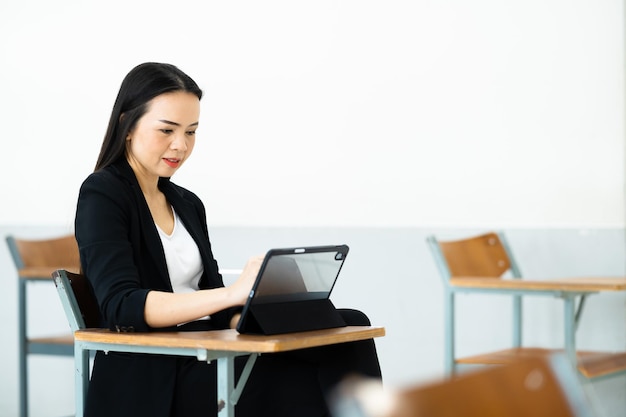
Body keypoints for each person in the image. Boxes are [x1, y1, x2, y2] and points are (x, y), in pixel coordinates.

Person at [74, 62, 382, 417]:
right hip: (159, 371)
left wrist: (254, 309)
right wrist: (231, 294)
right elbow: (120, 306)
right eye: (167, 130)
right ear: (127, 125)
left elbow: (214, 302)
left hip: (207, 349)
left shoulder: (186, 203)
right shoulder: (102, 193)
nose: (180, 145)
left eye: (191, 132)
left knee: (351, 324)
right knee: (314, 383)